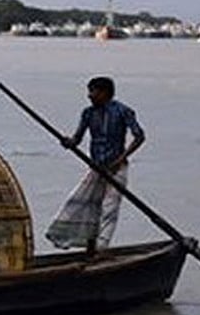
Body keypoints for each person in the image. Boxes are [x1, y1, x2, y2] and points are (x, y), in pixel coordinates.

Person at [46, 76, 145, 254]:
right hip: (96, 168)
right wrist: (68, 142)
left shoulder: (123, 111)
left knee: (109, 208)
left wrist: (121, 159)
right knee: (84, 203)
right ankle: (88, 246)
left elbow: (139, 136)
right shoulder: (88, 113)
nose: (90, 96)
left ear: (105, 93)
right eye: (90, 91)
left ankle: (101, 248)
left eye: (94, 91)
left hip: (117, 169)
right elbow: (77, 139)